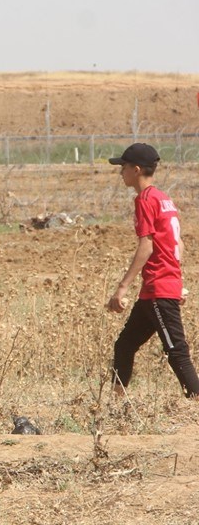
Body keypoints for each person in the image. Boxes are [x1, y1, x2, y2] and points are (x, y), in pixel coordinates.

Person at [106, 143, 199, 398]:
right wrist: (177, 280)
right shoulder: (163, 199)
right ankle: (116, 403)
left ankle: (196, 400)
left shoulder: (145, 200)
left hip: (159, 287)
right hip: (156, 288)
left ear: (136, 170)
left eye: (123, 167)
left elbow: (146, 246)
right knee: (124, 345)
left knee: (176, 351)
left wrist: (122, 287)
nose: (121, 172)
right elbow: (178, 243)